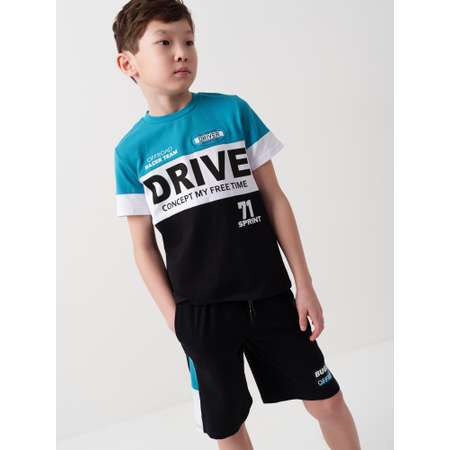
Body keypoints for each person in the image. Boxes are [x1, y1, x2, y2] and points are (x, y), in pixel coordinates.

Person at [112, 1, 361, 449]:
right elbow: (143, 247)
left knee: (328, 400)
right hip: (201, 315)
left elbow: (275, 199)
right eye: (164, 43)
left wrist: (304, 284)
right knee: (227, 426)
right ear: (128, 63)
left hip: (269, 296)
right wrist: (177, 321)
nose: (182, 52)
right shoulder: (130, 152)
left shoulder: (232, 112)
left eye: (189, 41)